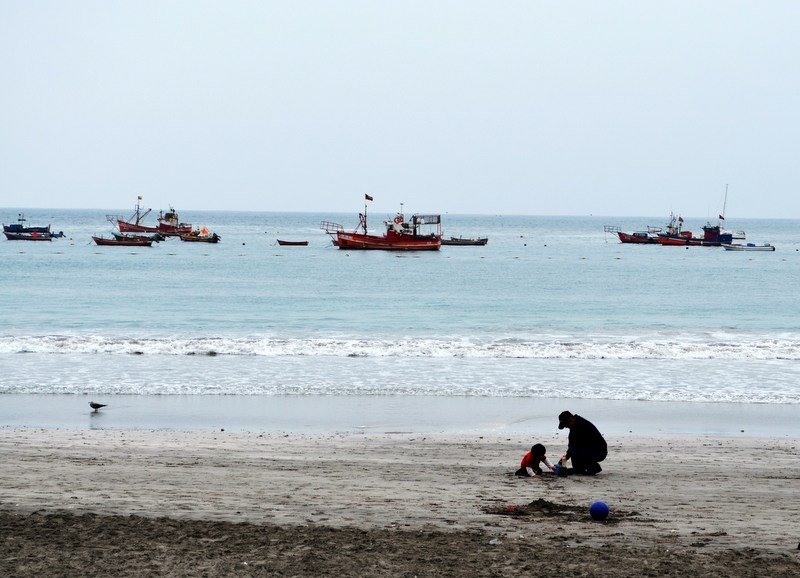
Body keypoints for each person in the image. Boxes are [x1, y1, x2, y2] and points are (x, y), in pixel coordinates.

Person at [558, 410, 607, 475]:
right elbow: (570, 447)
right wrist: (560, 463)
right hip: (587, 449)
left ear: (571, 420)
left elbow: (572, 449)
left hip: (599, 451)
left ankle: (594, 467)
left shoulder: (582, 426)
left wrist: (561, 463)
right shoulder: (574, 426)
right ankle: (579, 469)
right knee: (575, 452)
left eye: (565, 425)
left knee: (577, 451)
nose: (566, 427)